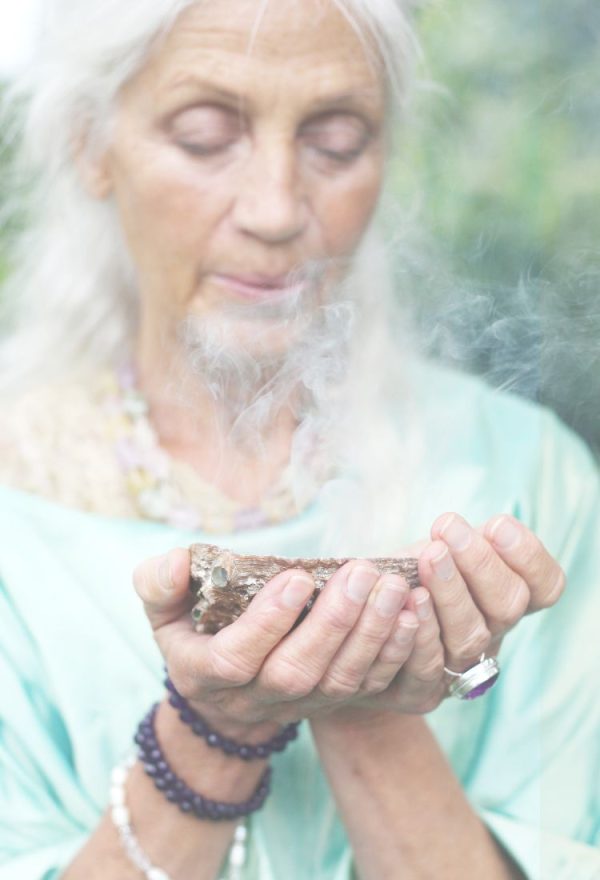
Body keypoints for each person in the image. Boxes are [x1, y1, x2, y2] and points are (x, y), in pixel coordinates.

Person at [0, 1, 599, 878]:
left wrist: (367, 708)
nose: (277, 211)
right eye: (206, 137)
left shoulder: (528, 476)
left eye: (336, 142)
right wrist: (213, 732)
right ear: (93, 146)